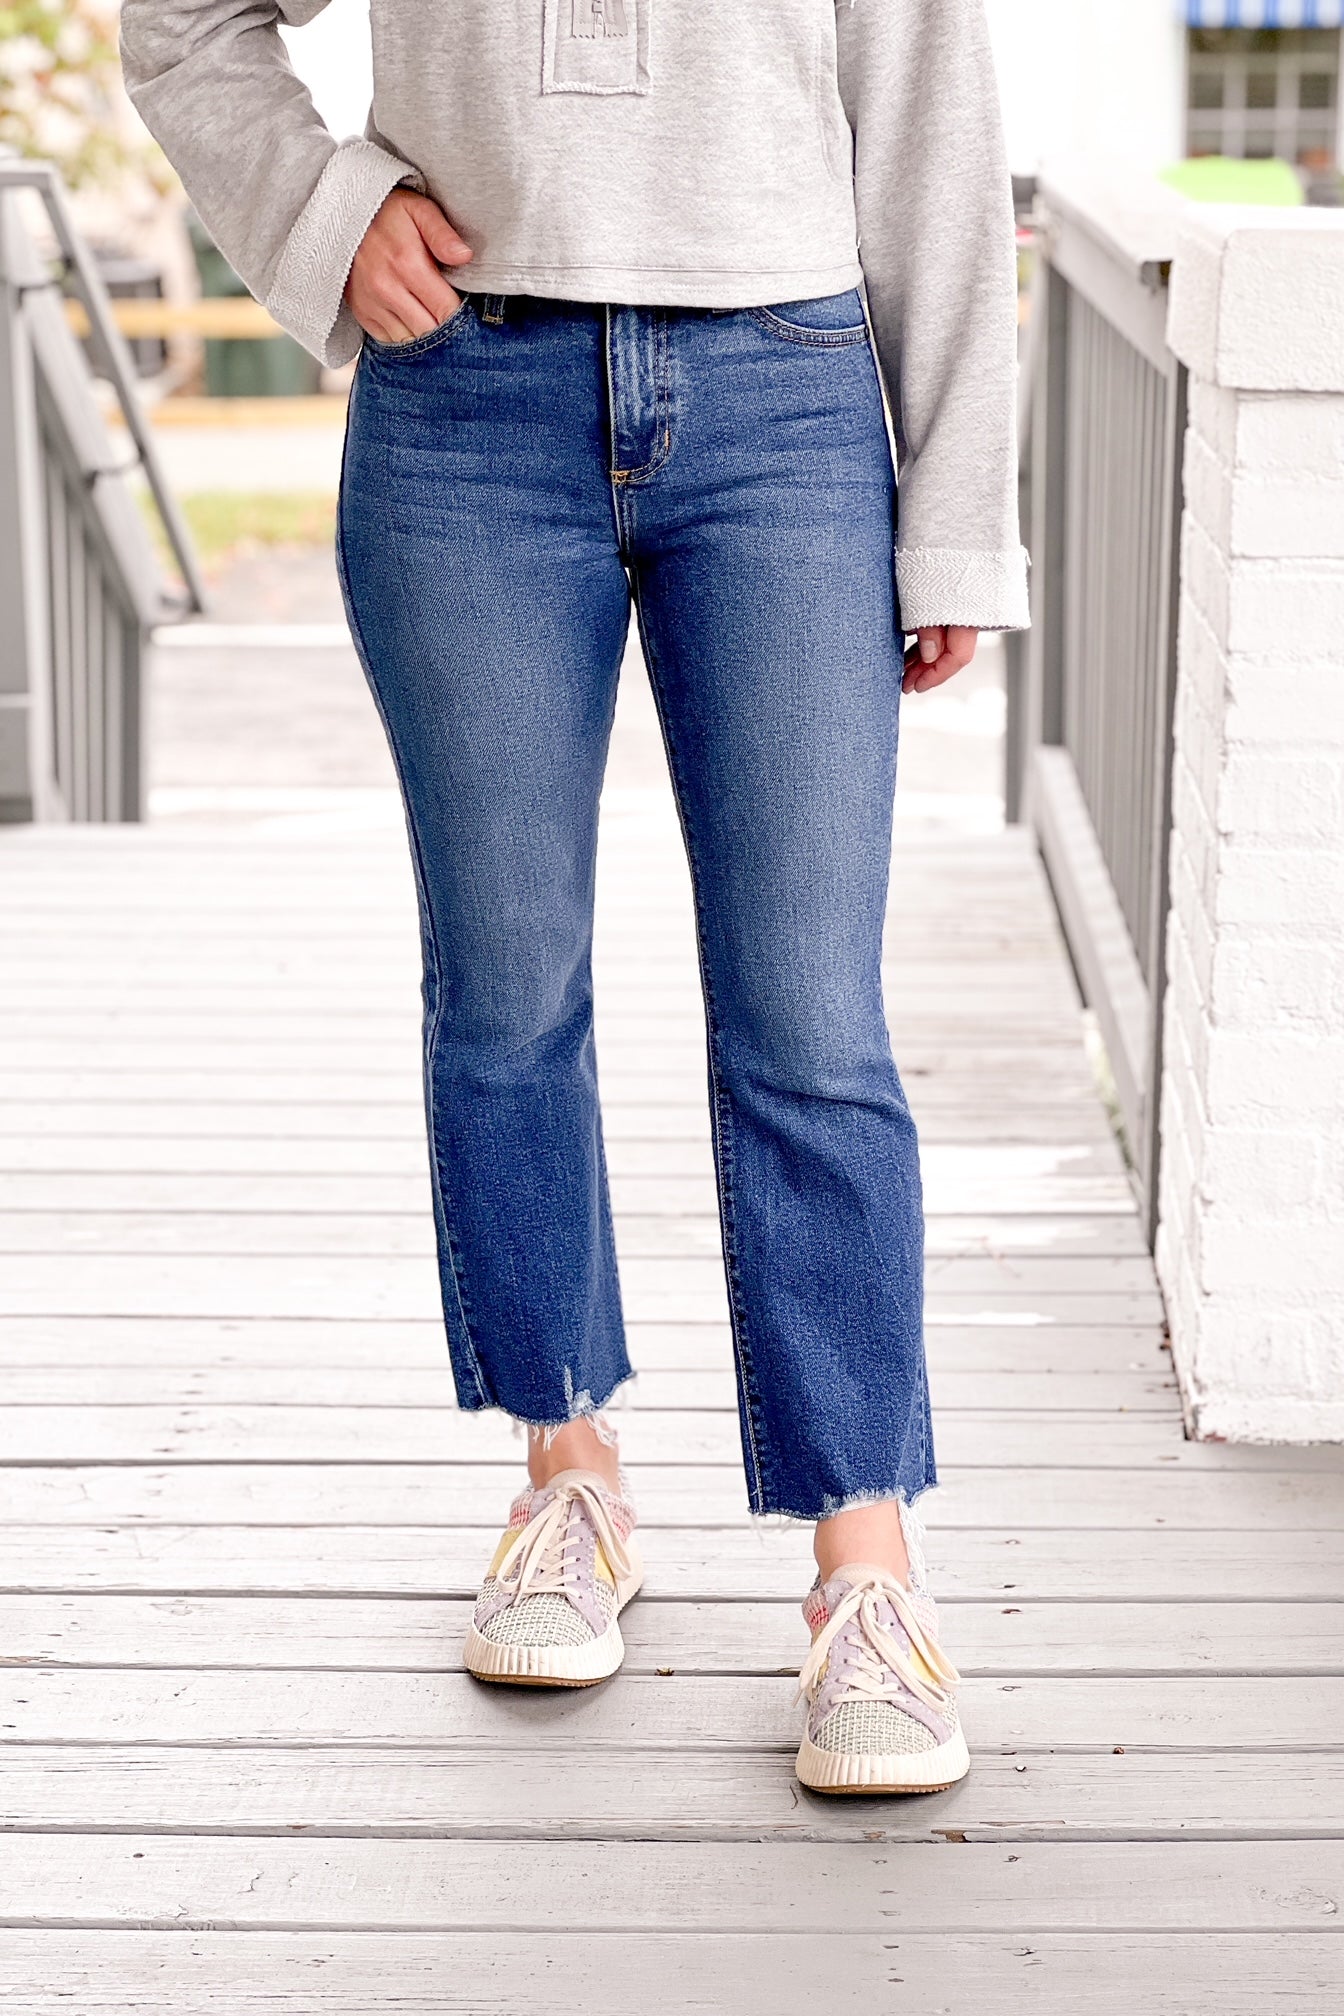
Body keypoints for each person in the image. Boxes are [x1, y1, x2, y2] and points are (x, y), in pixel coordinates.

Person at [121, 0, 1028, 1795]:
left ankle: (865, 1563)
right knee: (507, 989)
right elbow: (183, 24)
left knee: (811, 1019)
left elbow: (932, 120)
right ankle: (568, 1473)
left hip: (785, 407)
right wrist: (323, 211)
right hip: (465, 402)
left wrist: (954, 516)